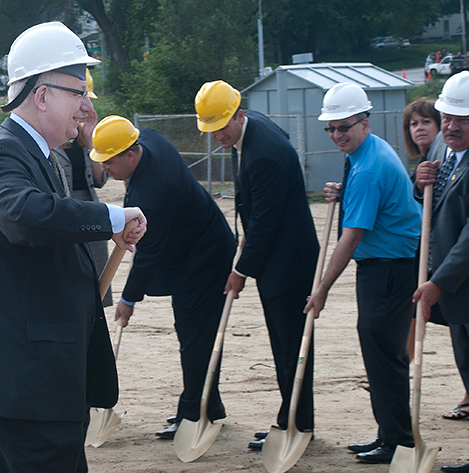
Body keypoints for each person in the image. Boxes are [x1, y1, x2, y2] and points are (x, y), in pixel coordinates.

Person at [0, 22, 146, 473]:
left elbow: (45, 226)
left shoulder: (35, 154)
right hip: (20, 380)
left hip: (33, 376)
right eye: (78, 92)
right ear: (42, 95)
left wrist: (100, 228)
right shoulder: (2, 153)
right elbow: (24, 216)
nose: (86, 106)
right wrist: (111, 217)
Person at [89, 115, 236, 439]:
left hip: (203, 259)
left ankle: (193, 413)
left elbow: (148, 255)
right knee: (195, 335)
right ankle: (208, 407)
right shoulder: (150, 139)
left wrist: (128, 300)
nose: (106, 170)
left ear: (130, 155)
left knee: (195, 336)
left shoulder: (153, 193)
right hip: (197, 243)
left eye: (110, 162)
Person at [194, 80, 319, 451]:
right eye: (211, 128)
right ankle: (292, 418)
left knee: (290, 346)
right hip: (279, 257)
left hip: (289, 262)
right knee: (284, 345)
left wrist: (240, 271)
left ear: (238, 114)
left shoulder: (264, 152)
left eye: (221, 126)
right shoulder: (252, 129)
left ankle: (297, 423)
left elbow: (265, 222)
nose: (217, 135)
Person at [304, 82, 422, 464]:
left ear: (365, 123)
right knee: (380, 350)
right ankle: (388, 433)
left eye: (345, 127)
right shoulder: (366, 153)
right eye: (331, 128)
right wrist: (345, 189)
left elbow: (352, 236)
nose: (338, 135)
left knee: (383, 353)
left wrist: (321, 289)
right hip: (386, 263)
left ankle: (397, 441)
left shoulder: (369, 166)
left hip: (390, 267)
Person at [411, 71, 469, 473]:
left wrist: (438, 282)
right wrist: (420, 182)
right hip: (456, 293)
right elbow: (433, 199)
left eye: (461, 119)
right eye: (447, 117)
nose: (450, 126)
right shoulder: (446, 153)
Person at [51, 70, 112, 307]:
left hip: (88, 209)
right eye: (80, 98)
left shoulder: (83, 138)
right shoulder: (50, 140)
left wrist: (90, 140)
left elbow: (99, 180)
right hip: (65, 215)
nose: (85, 107)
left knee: (96, 281)